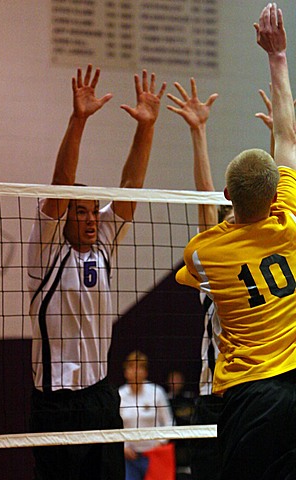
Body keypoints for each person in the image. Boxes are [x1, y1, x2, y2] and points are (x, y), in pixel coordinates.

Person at [27, 64, 166, 480]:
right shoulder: (47, 252)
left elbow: (130, 186)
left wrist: (147, 127)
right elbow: (61, 181)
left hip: (100, 396)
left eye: (93, 213)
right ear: (65, 217)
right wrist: (78, 119)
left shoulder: (103, 243)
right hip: (55, 401)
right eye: (81, 212)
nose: (91, 220)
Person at [176, 3, 296, 479]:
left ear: (228, 195)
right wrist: (278, 55)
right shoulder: (289, 225)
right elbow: (287, 139)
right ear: (273, 197)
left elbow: (205, 242)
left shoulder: (205, 254)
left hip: (247, 397)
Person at [167, 77, 231, 480]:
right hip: (216, 397)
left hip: (252, 391)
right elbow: (207, 200)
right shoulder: (213, 272)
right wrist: (198, 132)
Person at [119, 350, 175, 480]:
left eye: (140, 367)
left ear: (146, 371)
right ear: (126, 371)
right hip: (129, 457)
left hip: (155, 455)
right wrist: (123, 447)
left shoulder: (157, 392)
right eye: (132, 367)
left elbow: (169, 422)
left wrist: (160, 443)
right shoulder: (120, 395)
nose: (136, 371)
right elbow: (115, 426)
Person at [166, 370, 195, 479]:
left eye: (178, 379)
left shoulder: (190, 398)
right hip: (174, 439)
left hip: (189, 437)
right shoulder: (165, 399)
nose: (176, 382)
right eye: (173, 379)